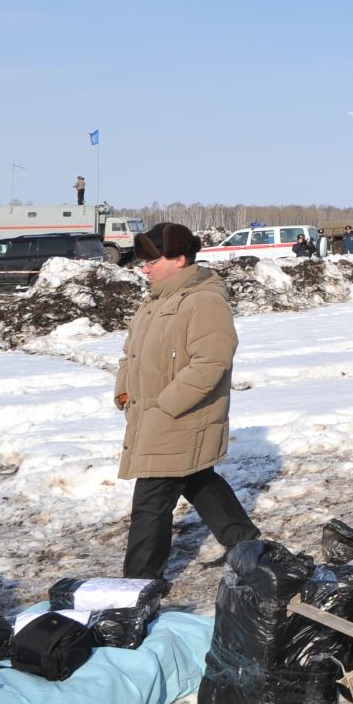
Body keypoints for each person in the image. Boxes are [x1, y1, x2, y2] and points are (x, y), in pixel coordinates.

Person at [114, 222, 259, 579]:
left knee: (150, 501)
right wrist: (124, 392)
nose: (143, 269)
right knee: (197, 478)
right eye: (142, 263)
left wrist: (167, 405)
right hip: (151, 413)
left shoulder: (203, 301)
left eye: (151, 262)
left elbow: (212, 361)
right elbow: (129, 355)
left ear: (179, 260)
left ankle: (138, 585)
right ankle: (246, 542)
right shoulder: (156, 301)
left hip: (177, 417)